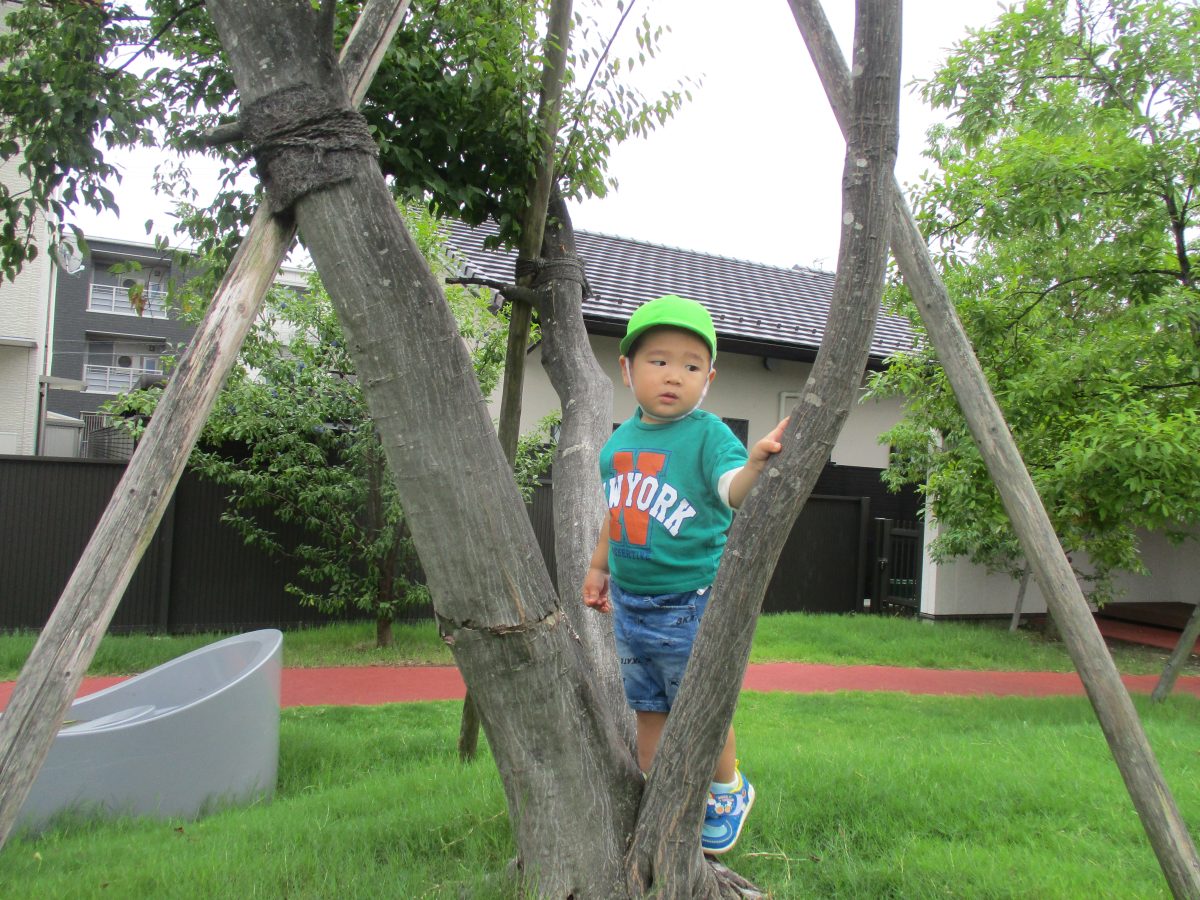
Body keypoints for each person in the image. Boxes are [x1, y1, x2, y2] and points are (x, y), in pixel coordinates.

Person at [582, 293, 787, 856]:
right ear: (627, 369)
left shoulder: (708, 435)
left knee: (699, 703)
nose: (674, 375)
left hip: (690, 602)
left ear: (709, 379)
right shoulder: (617, 446)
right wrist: (598, 568)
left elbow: (731, 492)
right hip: (630, 603)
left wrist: (753, 466)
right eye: (659, 360)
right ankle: (663, 792)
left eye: (692, 366)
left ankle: (728, 790)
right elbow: (617, 513)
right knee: (648, 708)